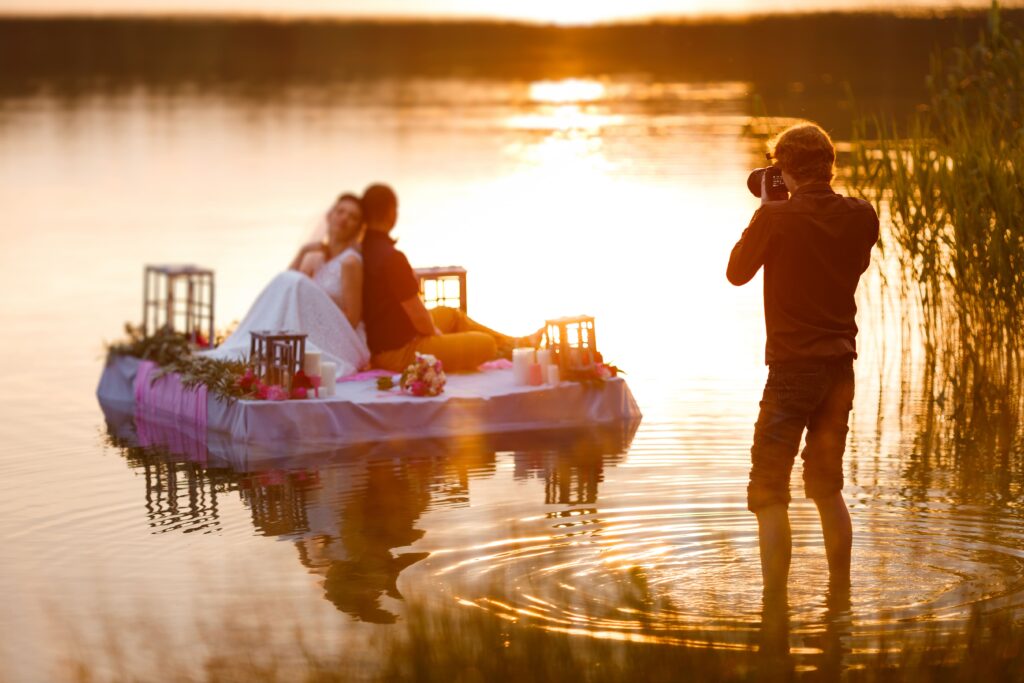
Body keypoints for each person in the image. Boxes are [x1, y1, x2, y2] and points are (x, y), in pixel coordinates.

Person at [726, 122, 878, 594]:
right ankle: (840, 597)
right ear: (829, 165)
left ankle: (775, 607)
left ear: (784, 169)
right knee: (827, 486)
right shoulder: (862, 214)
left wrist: (767, 211)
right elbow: (852, 261)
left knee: (769, 490)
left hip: (792, 370)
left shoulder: (776, 218)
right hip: (840, 369)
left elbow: (736, 272)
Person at [359, 183, 532, 373]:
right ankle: (510, 348)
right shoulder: (392, 258)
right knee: (486, 344)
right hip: (400, 352)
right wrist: (434, 334)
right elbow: (420, 320)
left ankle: (513, 343)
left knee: (451, 315)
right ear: (391, 213)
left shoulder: (362, 251)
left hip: (392, 339)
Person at [204, 193, 370, 377]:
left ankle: (255, 343)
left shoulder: (350, 262)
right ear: (330, 215)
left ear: (358, 228)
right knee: (289, 280)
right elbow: (285, 290)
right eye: (340, 211)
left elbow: (352, 319)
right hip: (315, 329)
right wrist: (303, 252)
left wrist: (318, 318)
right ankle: (246, 342)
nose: (344, 218)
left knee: (294, 280)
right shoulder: (319, 258)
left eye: (353, 217)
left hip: (342, 340)